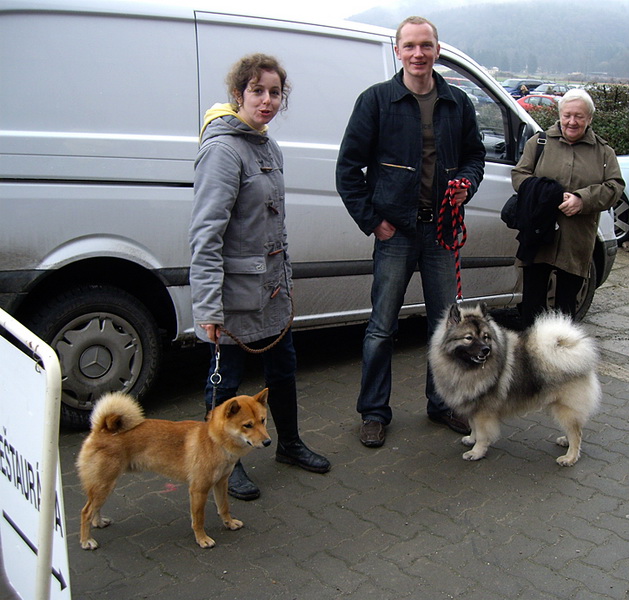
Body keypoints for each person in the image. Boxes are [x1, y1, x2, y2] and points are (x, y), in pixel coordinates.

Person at [336, 16, 485, 448]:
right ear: (397, 51)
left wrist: (467, 186)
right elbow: (348, 169)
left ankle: (442, 405)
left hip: (441, 233)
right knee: (381, 328)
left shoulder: (458, 103)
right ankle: (374, 412)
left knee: (446, 329)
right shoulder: (377, 101)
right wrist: (373, 222)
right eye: (410, 46)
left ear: (437, 50)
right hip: (395, 234)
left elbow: (475, 157)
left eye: (426, 45)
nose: (418, 53)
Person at [189, 53, 330, 501]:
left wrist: (285, 283)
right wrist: (208, 307)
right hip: (233, 298)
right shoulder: (222, 150)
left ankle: (287, 444)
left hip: (272, 293)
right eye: (257, 91)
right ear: (238, 95)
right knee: (226, 384)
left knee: (283, 371)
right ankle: (224, 465)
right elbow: (206, 234)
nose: (267, 101)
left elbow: (276, 227)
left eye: (275, 93)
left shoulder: (268, 146)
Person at [511, 88, 624, 323]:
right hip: (538, 237)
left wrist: (583, 200)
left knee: (566, 311)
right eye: (567, 115)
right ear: (560, 115)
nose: (572, 121)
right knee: (532, 308)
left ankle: (561, 357)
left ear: (589, 119)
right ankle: (532, 356)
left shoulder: (603, 152)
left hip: (576, 241)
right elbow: (519, 176)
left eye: (579, 116)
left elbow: (615, 187)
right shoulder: (539, 143)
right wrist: (547, 194)